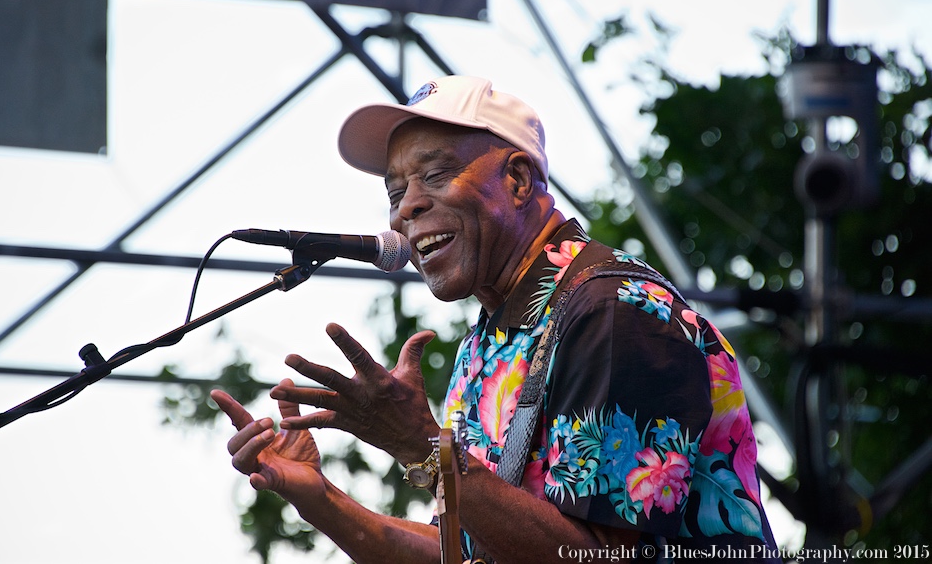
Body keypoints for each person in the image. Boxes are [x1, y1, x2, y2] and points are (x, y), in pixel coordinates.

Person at [211, 76, 781, 563]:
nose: (407, 206)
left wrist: (423, 447)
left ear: (516, 179)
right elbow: (470, 551)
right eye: (395, 191)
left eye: (434, 176)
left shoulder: (612, 310)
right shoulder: (492, 339)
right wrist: (319, 498)